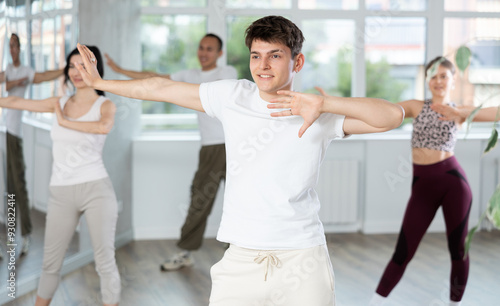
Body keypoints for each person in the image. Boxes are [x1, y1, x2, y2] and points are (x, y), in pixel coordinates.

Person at [77, 15, 403, 306]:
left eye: (275, 56)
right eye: (256, 56)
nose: (263, 66)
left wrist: (326, 102)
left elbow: (391, 116)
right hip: (241, 260)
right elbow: (160, 87)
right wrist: (99, 83)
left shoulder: (318, 112)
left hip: (302, 257)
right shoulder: (232, 96)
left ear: (297, 61)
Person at [105, 33, 237, 271]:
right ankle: (185, 252)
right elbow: (154, 79)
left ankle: (241, 252)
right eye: (201, 47)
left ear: (219, 53)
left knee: (242, 201)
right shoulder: (190, 75)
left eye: (210, 49)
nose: (203, 52)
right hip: (211, 149)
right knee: (200, 199)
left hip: (236, 146)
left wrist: (175, 87)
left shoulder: (226, 73)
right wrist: (120, 69)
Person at [0, 46, 120, 306]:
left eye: (83, 65)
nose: (76, 71)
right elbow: (14, 101)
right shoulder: (59, 103)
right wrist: (60, 115)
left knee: (105, 262)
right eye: (71, 65)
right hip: (61, 192)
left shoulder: (105, 104)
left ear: (94, 68)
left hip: (96, 188)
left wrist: (65, 122)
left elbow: (103, 126)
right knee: (50, 264)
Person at [368, 56, 478, 306]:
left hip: (454, 184)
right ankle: (375, 301)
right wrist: (332, 107)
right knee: (403, 250)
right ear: (427, 80)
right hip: (422, 187)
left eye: (443, 76)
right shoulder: (418, 106)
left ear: (453, 79)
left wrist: (461, 112)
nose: (438, 81)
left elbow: (492, 113)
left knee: (458, 249)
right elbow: (381, 112)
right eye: (433, 76)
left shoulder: (459, 111)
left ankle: (454, 302)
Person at [2, 33, 64, 257]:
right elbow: (4, 82)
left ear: (20, 48)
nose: (12, 50)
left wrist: (65, 70)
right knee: (9, 187)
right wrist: (14, 82)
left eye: (15, 46)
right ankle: (12, 234)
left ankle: (26, 235)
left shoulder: (27, 71)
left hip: (15, 136)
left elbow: (45, 76)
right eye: (9, 46)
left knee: (19, 185)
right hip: (6, 133)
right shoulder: (9, 69)